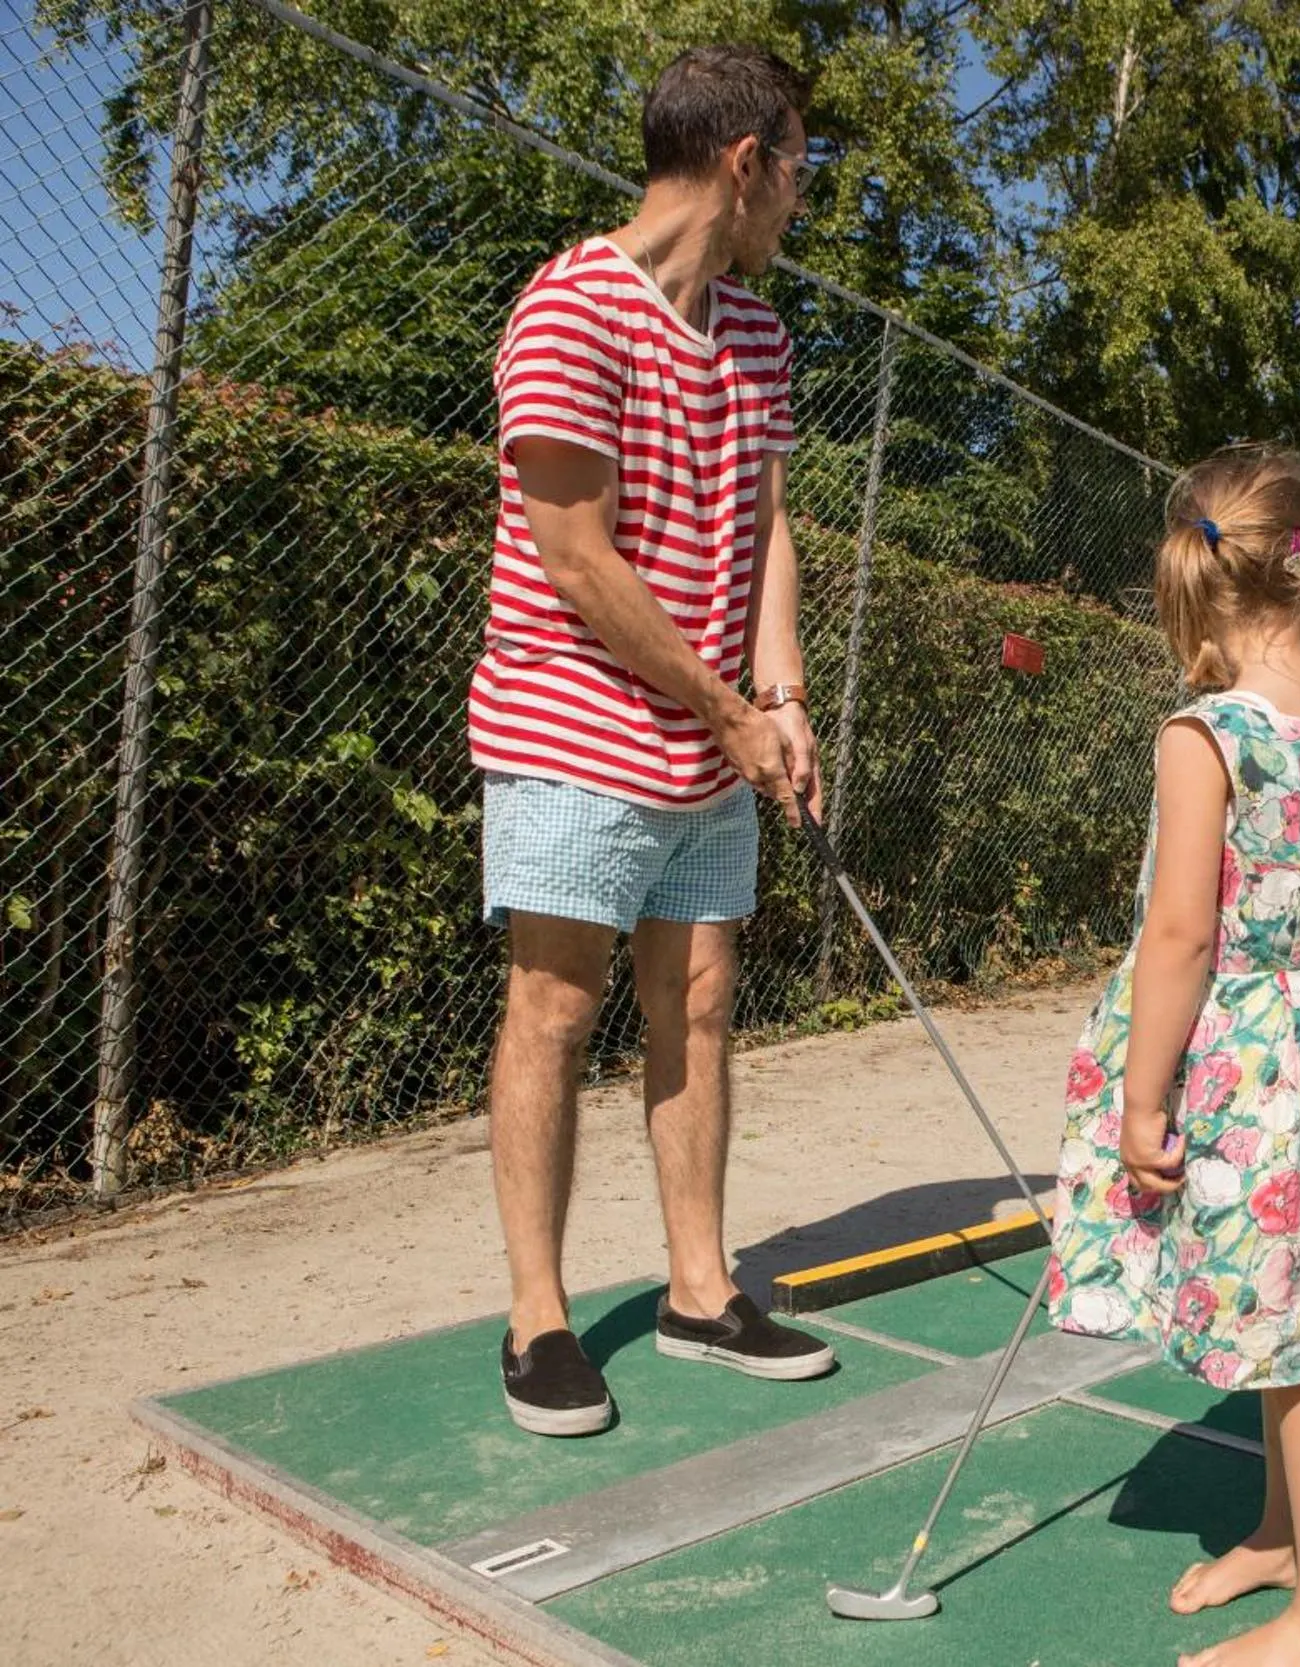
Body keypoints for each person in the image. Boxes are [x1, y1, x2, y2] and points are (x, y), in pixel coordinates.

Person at [472, 44, 836, 1437]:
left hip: (709, 745)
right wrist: (731, 708)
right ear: (746, 160)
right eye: (798, 167)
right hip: (572, 725)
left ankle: (699, 1287)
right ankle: (540, 1317)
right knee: (555, 1009)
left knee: (697, 1000)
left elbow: (768, 526)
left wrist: (785, 694)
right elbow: (575, 556)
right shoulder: (570, 308)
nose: (801, 197)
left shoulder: (756, 335)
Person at [1046, 446, 1300, 1667]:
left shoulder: (1203, 734)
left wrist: (1143, 1097)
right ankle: (1285, 1533)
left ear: (1194, 579)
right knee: (1290, 1302)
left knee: (1293, 1346)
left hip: (1246, 1060)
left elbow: (1182, 929)